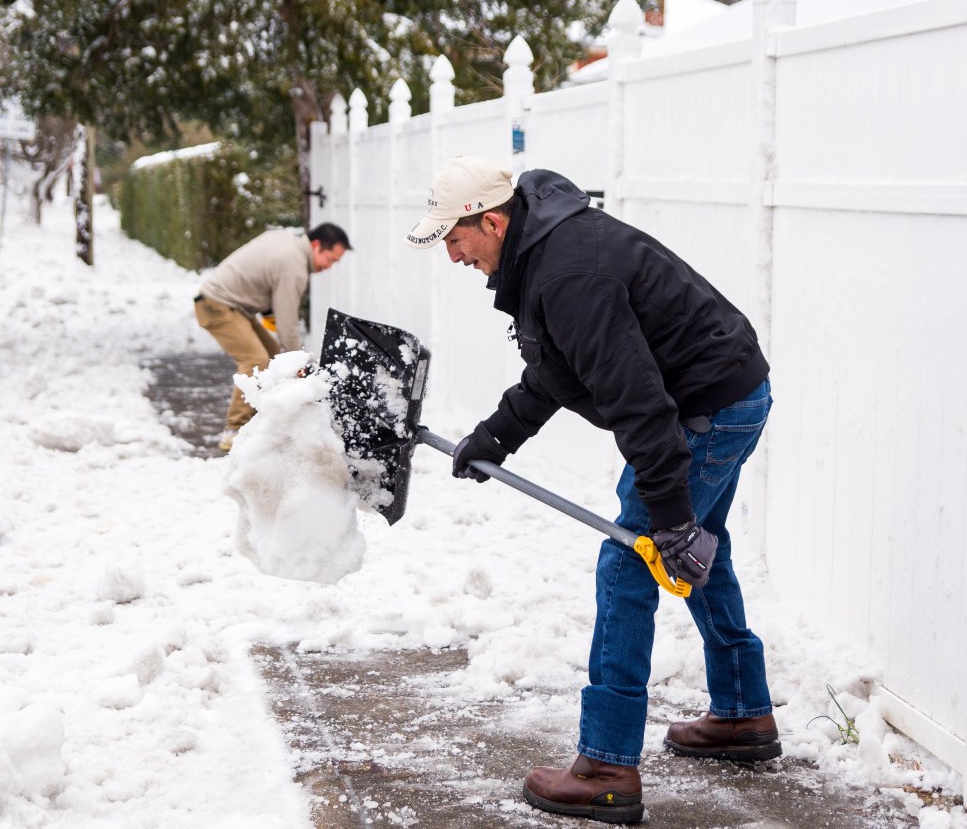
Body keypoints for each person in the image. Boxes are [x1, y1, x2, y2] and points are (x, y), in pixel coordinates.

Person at [403, 155, 777, 825]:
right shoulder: (544, 254)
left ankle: (607, 766)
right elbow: (558, 370)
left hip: (705, 407)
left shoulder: (569, 272)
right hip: (727, 391)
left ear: (492, 221)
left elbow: (637, 400)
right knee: (690, 551)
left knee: (633, 559)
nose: (454, 256)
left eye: (456, 240)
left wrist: (664, 515)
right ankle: (743, 715)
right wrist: (495, 436)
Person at [195, 223, 351, 451]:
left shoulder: (285, 240)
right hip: (217, 305)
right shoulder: (294, 267)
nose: (329, 267)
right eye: (330, 259)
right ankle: (234, 430)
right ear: (316, 245)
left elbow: (263, 280)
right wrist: (300, 363)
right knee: (256, 360)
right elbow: (287, 323)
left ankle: (264, 426)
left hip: (232, 305)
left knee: (272, 358)